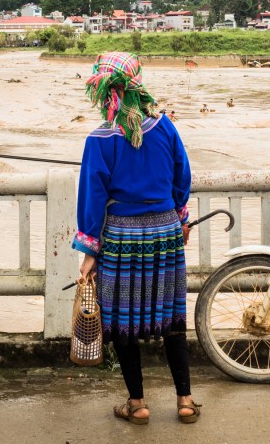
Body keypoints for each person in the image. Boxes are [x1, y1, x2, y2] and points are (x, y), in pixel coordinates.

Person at [72, 51, 200, 426]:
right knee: (172, 318)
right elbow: (182, 177)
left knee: (123, 321)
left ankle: (138, 404)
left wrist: (89, 251)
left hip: (122, 238)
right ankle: (186, 401)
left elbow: (93, 197)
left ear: (103, 90)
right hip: (164, 232)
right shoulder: (165, 127)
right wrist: (180, 218)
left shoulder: (99, 139)